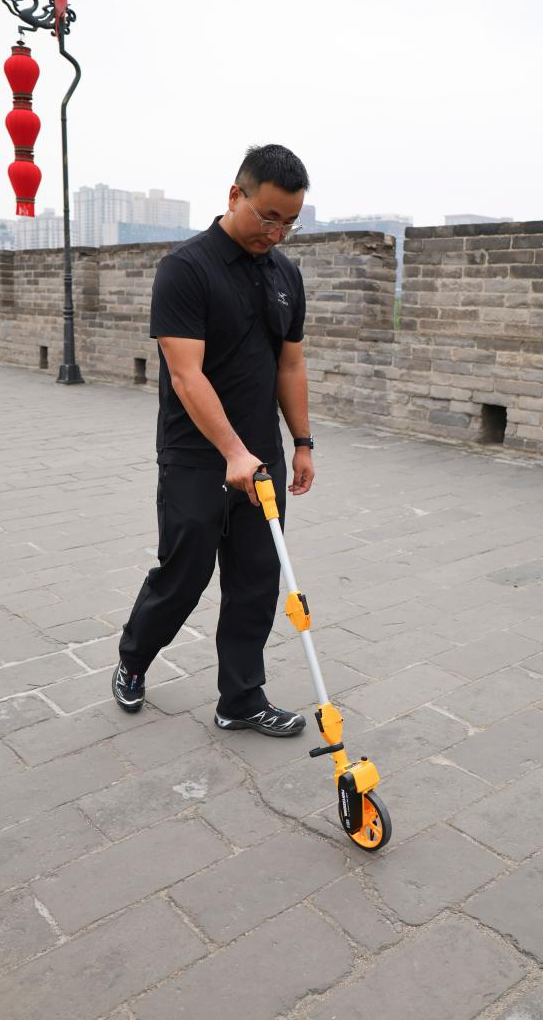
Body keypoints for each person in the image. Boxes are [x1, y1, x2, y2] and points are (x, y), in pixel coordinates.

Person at [112, 144, 315, 737]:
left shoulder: (286, 275)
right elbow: (186, 375)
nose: (276, 233)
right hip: (197, 456)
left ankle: (241, 699)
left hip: (262, 457)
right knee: (184, 574)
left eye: (289, 223)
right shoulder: (186, 269)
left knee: (257, 580)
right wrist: (231, 451)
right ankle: (133, 659)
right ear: (235, 195)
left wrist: (302, 442)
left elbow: (290, 365)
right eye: (268, 216)